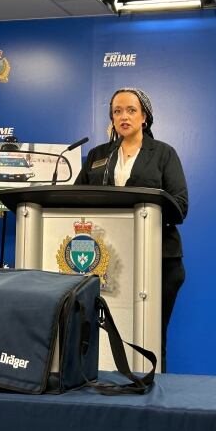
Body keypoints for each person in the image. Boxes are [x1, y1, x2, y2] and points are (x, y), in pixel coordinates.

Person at [74, 87, 188, 372]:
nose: (123, 116)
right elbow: (76, 198)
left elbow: (180, 205)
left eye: (131, 110)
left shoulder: (163, 153)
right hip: (108, 260)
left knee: (151, 330)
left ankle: (154, 387)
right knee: (107, 329)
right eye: (117, 111)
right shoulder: (98, 155)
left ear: (144, 117)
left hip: (159, 258)